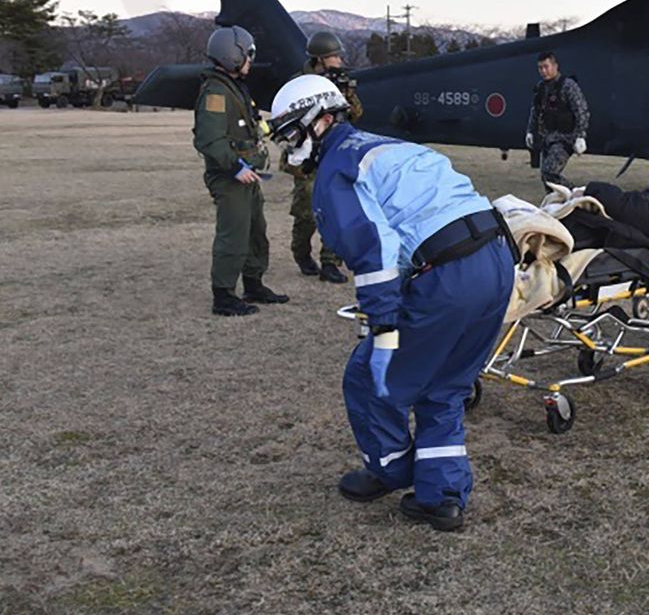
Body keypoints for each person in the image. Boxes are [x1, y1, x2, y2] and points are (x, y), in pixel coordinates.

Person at [269, 74, 515, 533]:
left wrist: (383, 321)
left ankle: (390, 469)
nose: (289, 148)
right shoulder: (386, 145)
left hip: (448, 276)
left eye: (291, 134)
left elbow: (373, 249)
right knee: (444, 387)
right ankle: (441, 496)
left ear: (320, 121)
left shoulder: (338, 170)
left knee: (369, 377)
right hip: (498, 260)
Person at [193, 26, 289, 316]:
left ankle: (253, 284)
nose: (250, 60)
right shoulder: (216, 92)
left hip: (247, 174)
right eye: (247, 54)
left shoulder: (234, 87)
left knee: (255, 231)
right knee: (233, 234)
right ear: (232, 55)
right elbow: (208, 139)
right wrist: (235, 167)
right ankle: (223, 296)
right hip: (230, 176)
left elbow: (247, 127)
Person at [283, 31, 364, 283]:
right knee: (306, 212)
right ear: (320, 60)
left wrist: (345, 94)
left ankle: (330, 262)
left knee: (336, 209)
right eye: (334, 56)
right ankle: (302, 254)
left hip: (334, 152)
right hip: (307, 154)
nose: (339, 60)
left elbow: (357, 114)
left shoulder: (339, 82)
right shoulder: (299, 85)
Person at [525, 52, 589, 191]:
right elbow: (535, 111)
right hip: (547, 139)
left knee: (549, 173)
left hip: (565, 139)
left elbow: (581, 111)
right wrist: (530, 131)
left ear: (555, 66)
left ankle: (577, 194)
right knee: (546, 180)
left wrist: (580, 136)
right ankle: (555, 206)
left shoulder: (568, 86)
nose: (543, 71)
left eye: (546, 67)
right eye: (540, 68)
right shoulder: (541, 88)